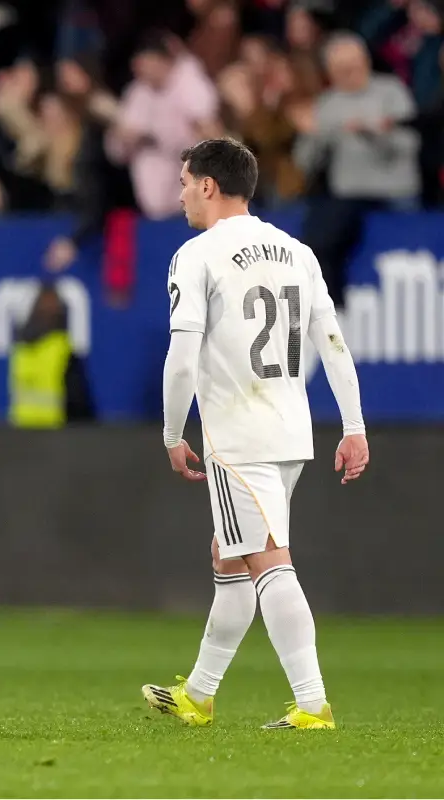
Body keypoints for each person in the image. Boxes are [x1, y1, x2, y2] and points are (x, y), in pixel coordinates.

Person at [143, 138, 368, 730]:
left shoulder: (197, 254)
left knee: (267, 558)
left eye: (186, 181)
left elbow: (181, 357)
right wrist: (353, 425)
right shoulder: (298, 251)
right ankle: (198, 692)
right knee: (231, 554)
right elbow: (334, 345)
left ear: (210, 186)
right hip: (291, 430)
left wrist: (172, 431)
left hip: (237, 432)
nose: (182, 193)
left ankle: (312, 703)